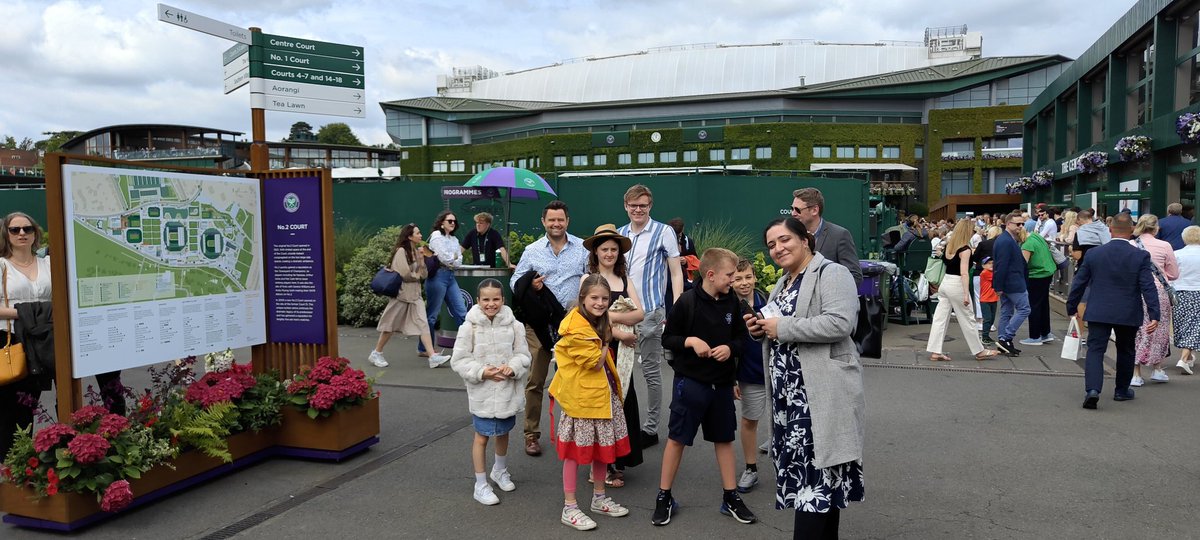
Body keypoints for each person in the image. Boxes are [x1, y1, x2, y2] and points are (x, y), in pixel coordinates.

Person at [746, 217, 865, 539]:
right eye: (771, 245)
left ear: (804, 239)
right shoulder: (784, 282)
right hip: (790, 400)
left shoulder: (832, 273)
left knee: (814, 484)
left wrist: (782, 328)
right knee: (818, 485)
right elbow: (778, 325)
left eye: (784, 239)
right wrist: (760, 329)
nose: (778, 248)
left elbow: (840, 323)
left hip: (817, 398)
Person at [652, 248, 756, 527]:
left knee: (724, 439)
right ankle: (664, 496)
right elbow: (668, 338)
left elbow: (741, 339)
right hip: (690, 383)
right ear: (710, 275)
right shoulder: (686, 302)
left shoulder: (733, 302)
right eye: (730, 275)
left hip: (721, 385)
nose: (734, 280)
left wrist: (730, 348)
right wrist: (690, 341)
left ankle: (730, 496)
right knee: (677, 439)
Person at [548, 274, 632, 531]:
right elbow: (594, 362)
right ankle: (570, 506)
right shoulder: (576, 327)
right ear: (582, 297)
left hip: (600, 395)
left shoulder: (596, 321)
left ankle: (598, 498)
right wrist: (607, 341)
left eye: (605, 298)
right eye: (594, 297)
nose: (600, 303)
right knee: (574, 454)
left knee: (602, 449)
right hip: (582, 400)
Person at [510, 200, 588, 457]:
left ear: (568, 221)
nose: (556, 224)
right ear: (543, 222)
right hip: (539, 324)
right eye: (551, 220)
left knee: (574, 380)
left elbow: (592, 278)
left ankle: (575, 433)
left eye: (560, 219)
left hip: (573, 323)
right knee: (535, 380)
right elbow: (515, 281)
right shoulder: (532, 250)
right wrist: (530, 285)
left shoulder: (582, 248)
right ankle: (531, 434)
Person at [449, 279, 531, 506]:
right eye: (486, 299)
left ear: (503, 299)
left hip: (506, 391)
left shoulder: (515, 326)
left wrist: (512, 367)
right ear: (478, 300)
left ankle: (500, 470)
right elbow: (459, 360)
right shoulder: (469, 327)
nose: (491, 304)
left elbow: (524, 355)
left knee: (503, 432)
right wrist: (481, 372)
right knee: (482, 436)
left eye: (496, 299)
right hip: (482, 394)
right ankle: (480, 484)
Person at [1067, 212, 1159, 410]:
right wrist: (1154, 314)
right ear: (1132, 230)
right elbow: (1148, 286)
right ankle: (1121, 390)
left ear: (1110, 230)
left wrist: (1071, 306)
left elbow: (1079, 282)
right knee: (1126, 350)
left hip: (1099, 309)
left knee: (1095, 350)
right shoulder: (1140, 256)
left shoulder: (1094, 254)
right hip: (1128, 310)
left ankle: (1093, 390)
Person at [618, 184, 683, 448]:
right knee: (620, 370)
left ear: (650, 206)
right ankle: (622, 426)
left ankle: (651, 428)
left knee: (651, 371)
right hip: (622, 313)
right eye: (633, 205)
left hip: (650, 313)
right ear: (626, 206)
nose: (638, 209)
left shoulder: (663, 232)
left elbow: (676, 272)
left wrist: (677, 307)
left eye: (642, 205)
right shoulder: (620, 235)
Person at [582, 224, 645, 487]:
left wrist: (610, 317)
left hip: (623, 355)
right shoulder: (588, 280)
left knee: (623, 402)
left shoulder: (625, 280)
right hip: (600, 350)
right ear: (595, 252)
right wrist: (619, 331)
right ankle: (599, 467)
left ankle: (616, 461)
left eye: (614, 249)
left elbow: (639, 313)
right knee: (602, 406)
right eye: (605, 249)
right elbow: (588, 317)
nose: (609, 253)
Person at [0, 212, 52, 459]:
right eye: (15, 229)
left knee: (29, 406)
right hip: (10, 340)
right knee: (7, 408)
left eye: (27, 229)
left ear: (35, 233)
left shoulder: (48, 264)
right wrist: (24, 313)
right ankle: (6, 464)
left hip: (43, 341)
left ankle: (23, 462)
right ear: (7, 234)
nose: (22, 233)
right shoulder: (2, 266)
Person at [370, 224, 450, 369]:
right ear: (409, 236)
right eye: (417, 233)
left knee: (423, 323)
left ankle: (432, 356)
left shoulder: (416, 251)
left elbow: (424, 275)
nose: (421, 235)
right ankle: (377, 352)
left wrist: (421, 261)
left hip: (415, 295)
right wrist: (417, 274)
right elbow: (404, 274)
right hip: (402, 295)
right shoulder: (401, 251)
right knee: (390, 325)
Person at [926, 220, 1000, 361]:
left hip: (945, 282)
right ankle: (979, 350)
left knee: (940, 319)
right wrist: (966, 294)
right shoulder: (965, 249)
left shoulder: (950, 245)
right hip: (957, 284)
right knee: (968, 318)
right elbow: (964, 273)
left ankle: (935, 351)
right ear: (967, 231)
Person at [731, 258, 768, 493]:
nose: (744, 283)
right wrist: (732, 379)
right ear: (731, 282)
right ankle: (751, 468)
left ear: (755, 278)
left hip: (775, 370)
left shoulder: (769, 300)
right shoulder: (728, 308)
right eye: (738, 279)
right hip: (749, 373)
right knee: (749, 420)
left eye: (748, 277)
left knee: (787, 418)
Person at [1130, 214, 1179, 386]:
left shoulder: (1131, 244)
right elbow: (1173, 274)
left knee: (1137, 330)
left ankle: (1135, 373)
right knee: (1159, 330)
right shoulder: (1165, 245)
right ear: (1156, 228)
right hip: (1158, 291)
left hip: (1135, 290)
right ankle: (1157, 368)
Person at [419, 211, 468, 358]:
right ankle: (424, 349)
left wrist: (453, 258)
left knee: (462, 311)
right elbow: (444, 258)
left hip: (450, 276)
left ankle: (467, 345)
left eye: (454, 221)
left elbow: (459, 260)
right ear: (442, 223)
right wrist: (454, 257)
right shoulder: (436, 236)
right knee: (432, 315)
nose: (453, 223)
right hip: (438, 275)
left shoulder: (454, 239)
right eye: (449, 221)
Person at [791, 188, 862, 284]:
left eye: (797, 210)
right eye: (792, 209)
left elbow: (854, 276)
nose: (793, 213)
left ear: (814, 210)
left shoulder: (839, 235)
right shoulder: (793, 236)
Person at [993, 212, 1031, 356]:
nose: (1021, 226)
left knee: (1006, 312)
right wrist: (998, 286)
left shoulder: (1007, 239)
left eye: (1022, 224)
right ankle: (1006, 338)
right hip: (1013, 282)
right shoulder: (1006, 241)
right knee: (1024, 309)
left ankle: (1003, 341)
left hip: (1009, 282)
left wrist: (999, 285)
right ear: (1008, 224)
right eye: (1018, 224)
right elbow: (1001, 265)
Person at [1019, 224, 1058, 347]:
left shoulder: (1027, 244)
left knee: (1034, 306)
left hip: (1036, 275)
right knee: (1043, 304)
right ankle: (1045, 333)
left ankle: (1035, 336)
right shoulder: (1036, 236)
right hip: (1048, 271)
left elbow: (1023, 264)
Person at [1171, 226, 1200, 375]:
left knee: (1182, 324)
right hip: (1197, 291)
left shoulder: (1176, 254)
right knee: (1195, 325)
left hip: (1179, 292)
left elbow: (1171, 274)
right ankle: (1183, 359)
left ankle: (1188, 358)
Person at [979, 257, 999, 345]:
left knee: (991, 319)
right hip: (985, 300)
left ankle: (986, 336)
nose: (991, 265)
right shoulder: (985, 273)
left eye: (992, 263)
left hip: (993, 299)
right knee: (987, 319)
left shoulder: (992, 272)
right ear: (983, 266)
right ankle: (984, 336)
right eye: (988, 263)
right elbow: (997, 277)